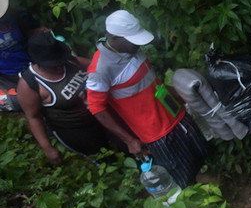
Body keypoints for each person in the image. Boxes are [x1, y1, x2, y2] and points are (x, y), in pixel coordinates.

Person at [86, 10, 208, 188]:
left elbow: (151, 82)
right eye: (132, 40)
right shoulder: (100, 70)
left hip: (176, 114)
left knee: (201, 154)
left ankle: (209, 189)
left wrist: (180, 95)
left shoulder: (131, 49)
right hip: (157, 133)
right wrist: (129, 140)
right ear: (114, 38)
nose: (137, 43)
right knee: (183, 177)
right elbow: (96, 108)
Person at [16, 31, 118, 163]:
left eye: (60, 61)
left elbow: (99, 66)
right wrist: (47, 147)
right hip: (77, 129)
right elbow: (34, 118)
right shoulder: (30, 85)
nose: (59, 66)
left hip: (101, 114)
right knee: (106, 159)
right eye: (52, 65)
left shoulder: (69, 61)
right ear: (39, 62)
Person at [0, 0, 39, 112]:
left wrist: (36, 32)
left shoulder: (13, 16)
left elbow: (24, 33)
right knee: (18, 102)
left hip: (30, 63)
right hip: (7, 75)